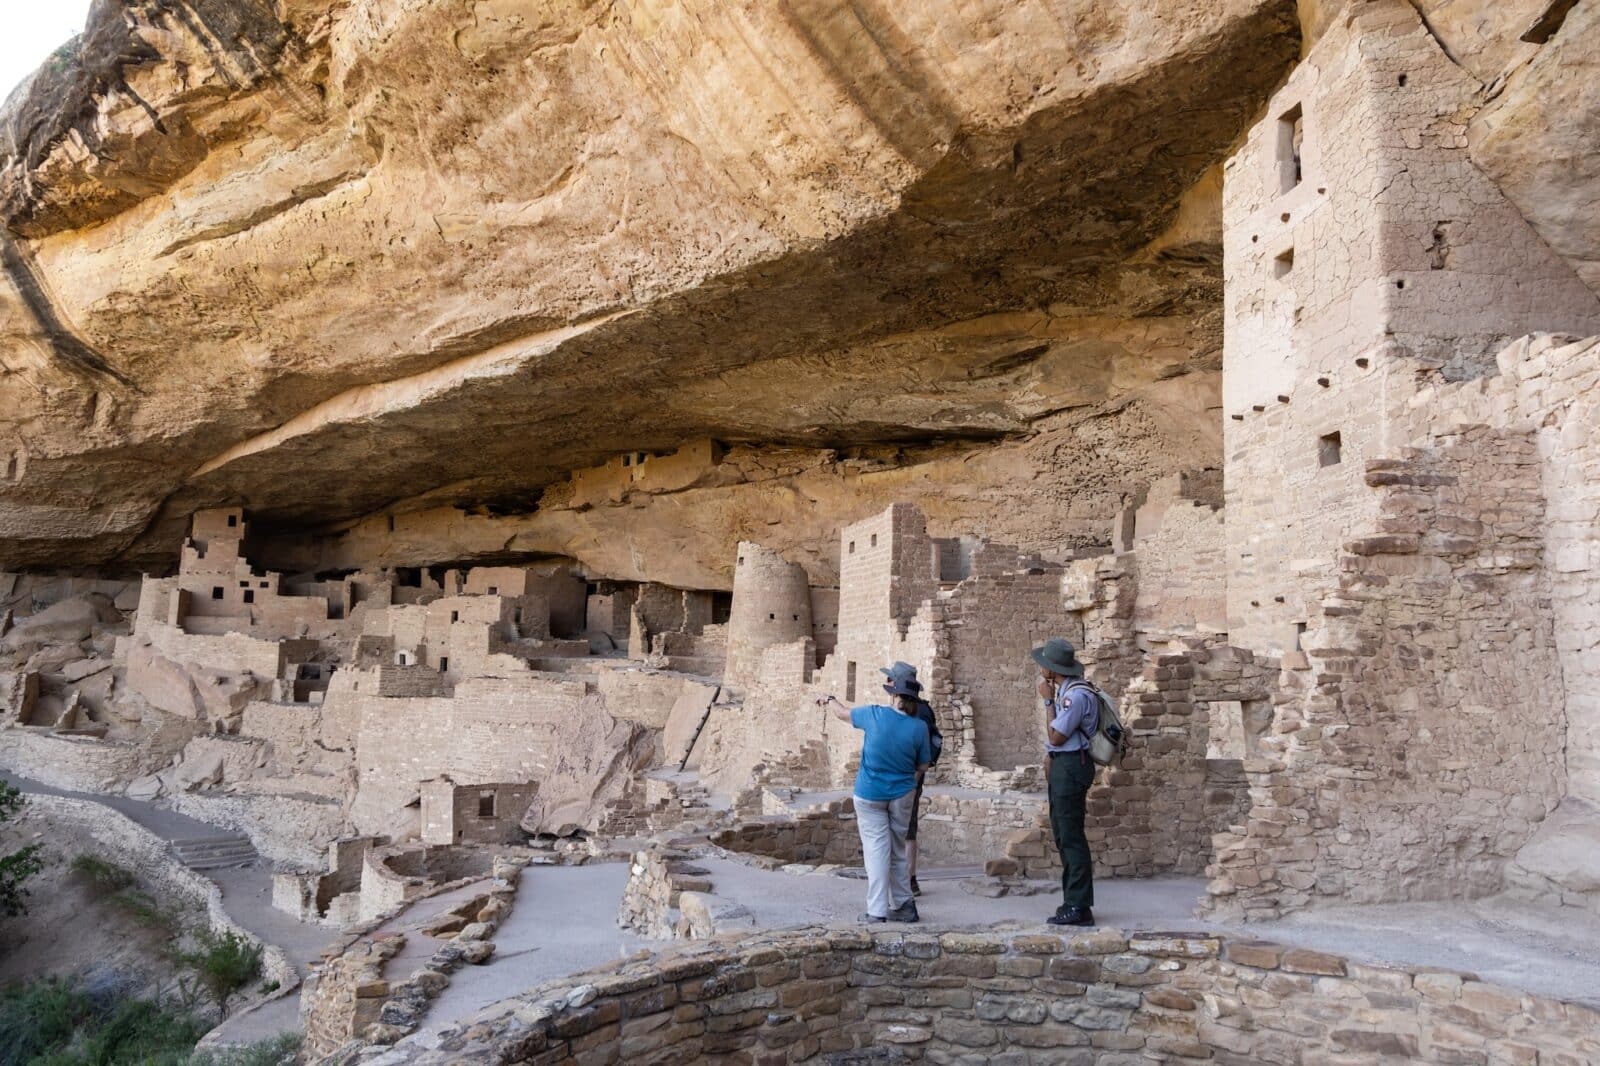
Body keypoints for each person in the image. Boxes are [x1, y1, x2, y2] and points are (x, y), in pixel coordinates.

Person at [817, 675, 932, 923]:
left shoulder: (875, 715)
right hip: (902, 794)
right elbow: (924, 763)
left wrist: (829, 699)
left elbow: (842, 714)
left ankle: (877, 910)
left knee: (877, 851)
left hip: (870, 794)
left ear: (894, 695)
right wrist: (909, 775)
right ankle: (903, 904)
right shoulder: (919, 727)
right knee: (898, 849)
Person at [1031, 637, 1098, 927]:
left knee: (1071, 837)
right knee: (1063, 832)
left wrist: (1047, 701)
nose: (1042, 669)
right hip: (1066, 764)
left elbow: (1056, 736)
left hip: (1072, 766)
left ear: (1053, 669)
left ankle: (1079, 905)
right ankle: (1073, 901)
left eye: (1045, 664)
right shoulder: (1069, 691)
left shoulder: (1075, 696)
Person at [878, 662, 942, 895]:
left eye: (890, 680)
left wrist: (913, 780)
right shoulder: (915, 708)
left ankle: (908, 881)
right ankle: (902, 879)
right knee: (900, 827)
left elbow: (921, 750)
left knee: (906, 828)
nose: (886, 684)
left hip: (907, 777)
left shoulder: (920, 712)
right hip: (899, 776)